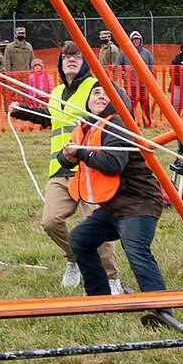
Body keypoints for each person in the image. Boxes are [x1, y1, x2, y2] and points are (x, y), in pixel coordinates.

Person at [63, 82, 171, 310]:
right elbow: (69, 158)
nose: (100, 96)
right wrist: (70, 155)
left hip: (139, 203)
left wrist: (80, 152)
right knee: (80, 239)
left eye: (106, 93)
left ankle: (161, 308)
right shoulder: (87, 127)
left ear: (118, 100)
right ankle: (100, 300)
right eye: (96, 92)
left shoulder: (117, 125)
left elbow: (113, 164)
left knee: (136, 251)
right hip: (113, 207)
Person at [23, 43, 119, 289]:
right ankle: (74, 258)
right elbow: (50, 117)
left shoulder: (93, 86)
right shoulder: (56, 92)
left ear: (85, 61)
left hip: (89, 169)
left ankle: (112, 279)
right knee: (50, 221)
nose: (72, 59)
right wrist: (23, 111)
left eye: (77, 56)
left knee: (97, 226)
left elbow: (110, 110)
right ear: (60, 62)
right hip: (60, 169)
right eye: (67, 56)